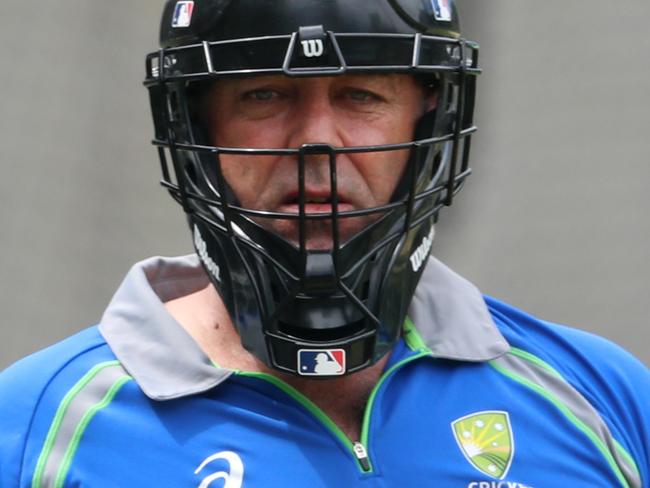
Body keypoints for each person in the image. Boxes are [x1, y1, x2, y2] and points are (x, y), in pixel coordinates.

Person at [1, 1, 648, 486]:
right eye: (264, 94)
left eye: (361, 94)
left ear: (430, 118)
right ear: (198, 123)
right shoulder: (34, 429)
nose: (319, 141)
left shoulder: (602, 397)